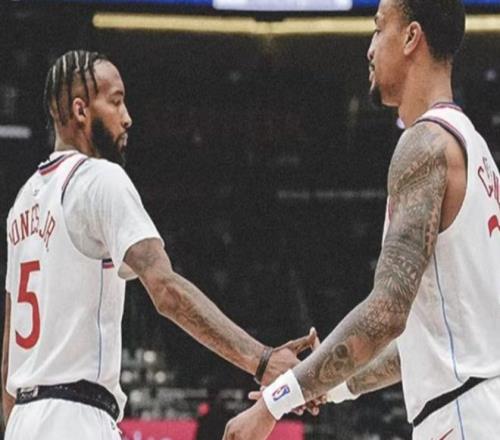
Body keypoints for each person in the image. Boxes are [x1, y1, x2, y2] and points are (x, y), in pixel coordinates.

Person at [1, 50, 318, 439]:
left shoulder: (23, 203)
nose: (127, 117)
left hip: (23, 419)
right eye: (116, 101)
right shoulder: (99, 178)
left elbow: (7, 364)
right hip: (75, 417)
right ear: (81, 110)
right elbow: (166, 290)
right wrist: (262, 360)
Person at [223, 1, 500, 439]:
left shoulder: (425, 144)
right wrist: (325, 386)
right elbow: (418, 346)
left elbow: (387, 312)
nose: (369, 49)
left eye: (378, 28)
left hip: (465, 416)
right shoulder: (477, 152)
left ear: (411, 37)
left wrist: (274, 404)